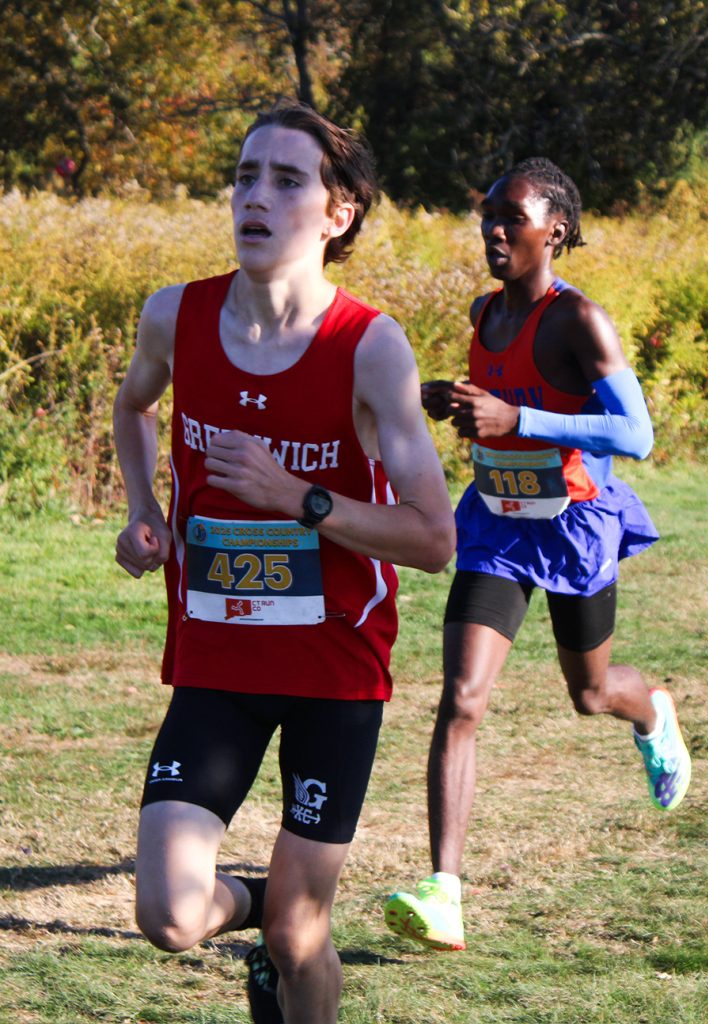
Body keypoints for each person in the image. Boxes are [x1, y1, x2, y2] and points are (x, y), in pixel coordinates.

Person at [113, 99, 455, 1024]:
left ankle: (289, 930)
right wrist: (145, 510)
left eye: (286, 178)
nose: (254, 196)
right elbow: (134, 406)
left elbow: (432, 539)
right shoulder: (175, 317)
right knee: (170, 913)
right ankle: (276, 905)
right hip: (218, 664)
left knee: (303, 946)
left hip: (332, 672)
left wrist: (294, 496)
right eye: (243, 175)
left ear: (337, 213)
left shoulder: (368, 348)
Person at [383, 157, 691, 953]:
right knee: (461, 697)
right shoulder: (485, 313)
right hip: (496, 523)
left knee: (588, 694)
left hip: (575, 523)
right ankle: (443, 890)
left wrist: (516, 417)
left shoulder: (579, 320)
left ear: (552, 231)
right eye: (486, 214)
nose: (492, 228)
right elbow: (501, 413)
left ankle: (650, 707)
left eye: (509, 217)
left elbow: (637, 435)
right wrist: (459, 404)